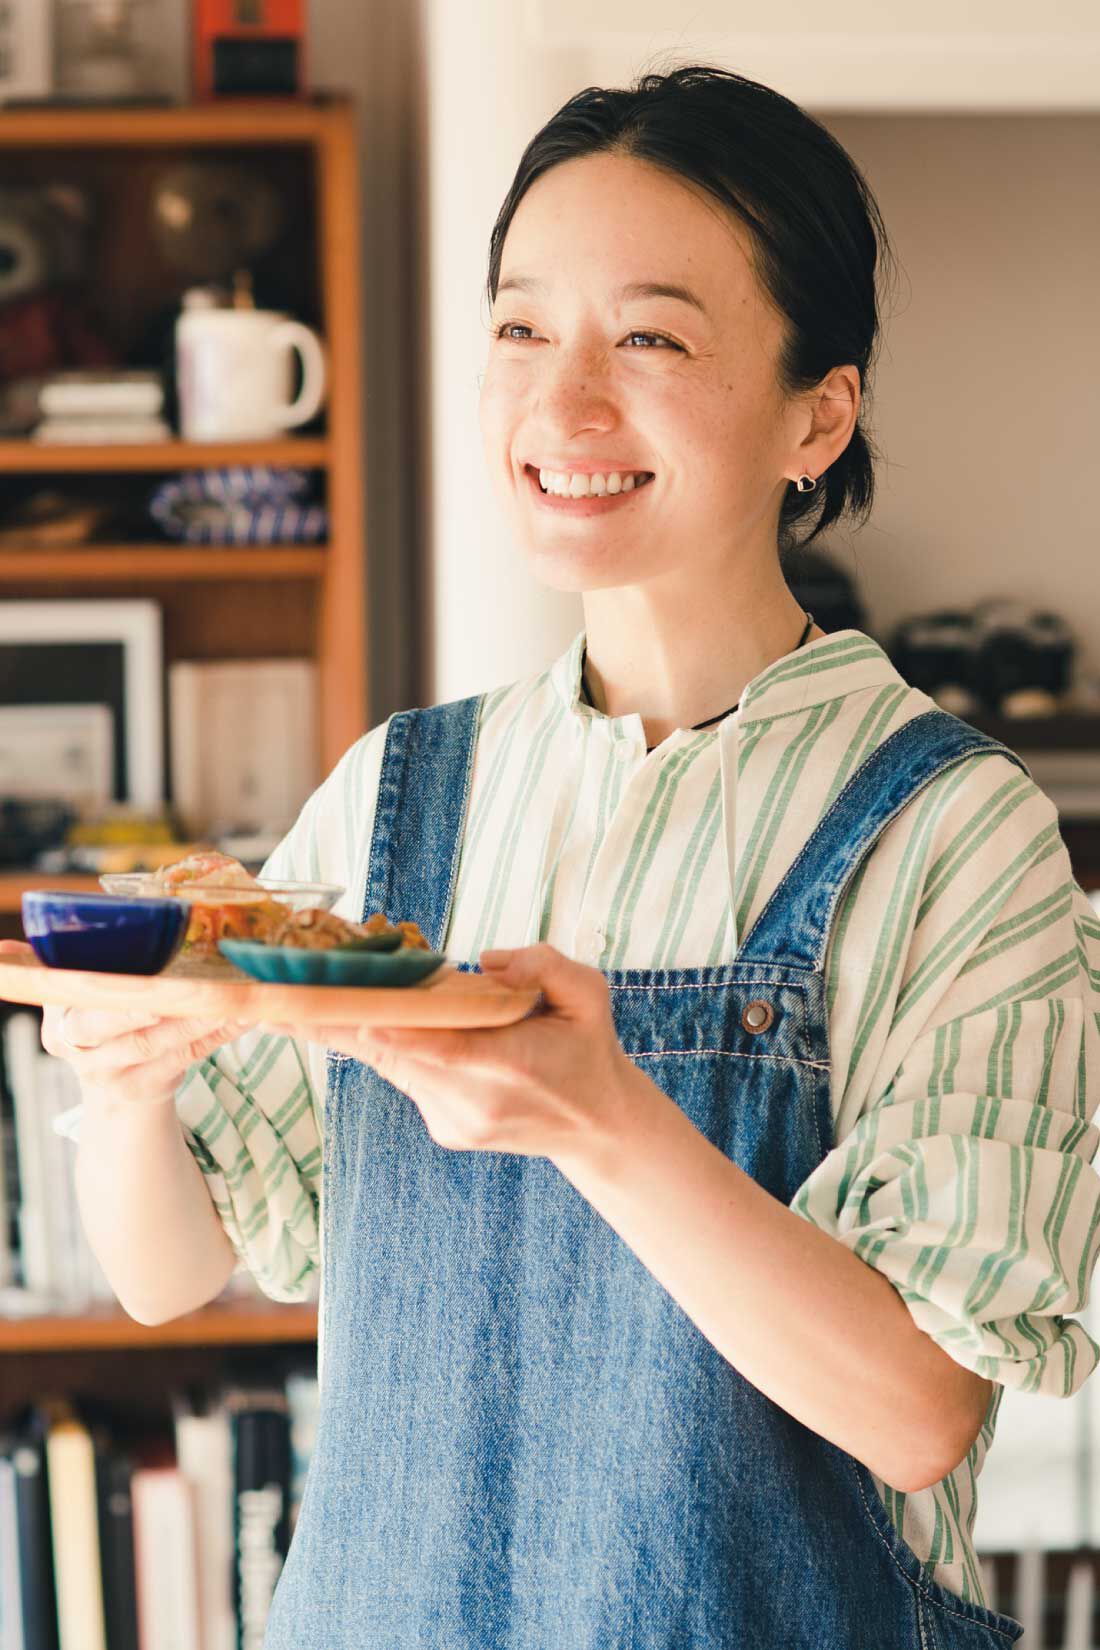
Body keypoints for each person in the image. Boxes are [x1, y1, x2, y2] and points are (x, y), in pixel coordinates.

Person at [24, 64, 1100, 1649]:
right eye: (522, 328)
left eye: (650, 336)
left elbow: (919, 1408)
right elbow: (172, 1273)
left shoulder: (949, 828)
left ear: (821, 410)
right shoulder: (406, 793)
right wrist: (127, 1080)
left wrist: (610, 1121)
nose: (563, 403)